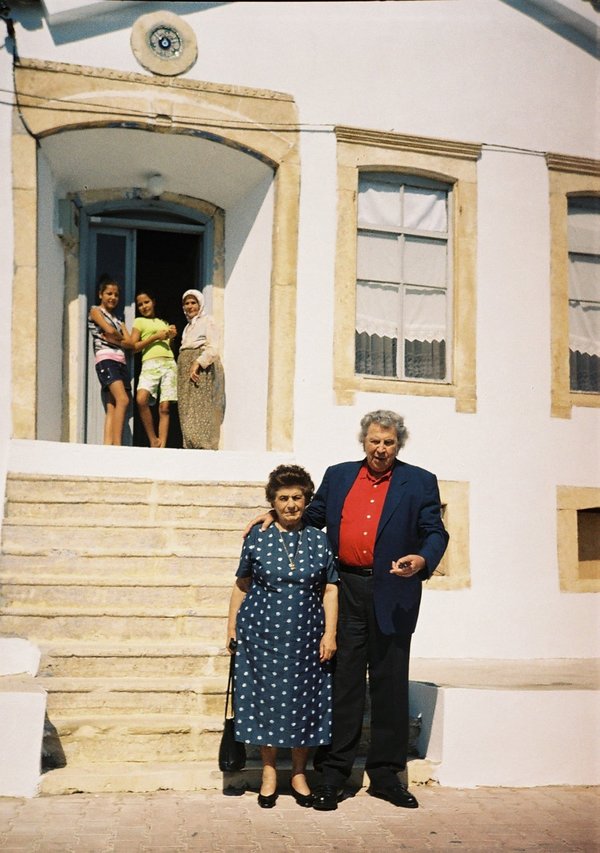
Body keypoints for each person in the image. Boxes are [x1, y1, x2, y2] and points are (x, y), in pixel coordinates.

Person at [246, 410, 448, 811]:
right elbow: (312, 515)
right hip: (346, 588)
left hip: (394, 589)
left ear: (399, 445)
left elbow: (435, 531)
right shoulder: (339, 476)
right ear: (363, 441)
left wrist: (422, 559)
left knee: (389, 685)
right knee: (345, 683)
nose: (381, 449)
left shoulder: (419, 481)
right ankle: (334, 774)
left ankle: (386, 777)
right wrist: (274, 513)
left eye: (388, 442)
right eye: (375, 441)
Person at [227, 464, 339, 809]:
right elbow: (242, 584)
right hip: (261, 634)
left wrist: (330, 634)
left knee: (304, 703)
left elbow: (331, 589)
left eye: (297, 497)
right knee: (266, 702)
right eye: (283, 498)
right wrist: (231, 627)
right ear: (272, 502)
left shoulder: (319, 539)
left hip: (307, 636)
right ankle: (269, 772)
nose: (290, 504)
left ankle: (299, 774)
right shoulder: (257, 537)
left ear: (306, 499)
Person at [87, 275, 133, 446]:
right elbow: (108, 330)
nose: (113, 297)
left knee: (112, 405)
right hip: (106, 359)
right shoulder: (95, 311)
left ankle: (107, 446)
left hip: (120, 361)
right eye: (109, 293)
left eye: (116, 295)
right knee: (123, 399)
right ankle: (117, 446)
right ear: (101, 294)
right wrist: (119, 338)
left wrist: (116, 339)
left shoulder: (118, 319)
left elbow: (130, 343)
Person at [177, 289, 225, 450]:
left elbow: (213, 347)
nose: (190, 306)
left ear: (200, 304)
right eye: (187, 303)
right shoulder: (188, 327)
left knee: (200, 405)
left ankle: (202, 445)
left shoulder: (208, 321)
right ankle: (189, 443)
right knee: (186, 407)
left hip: (200, 368)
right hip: (185, 366)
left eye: (193, 303)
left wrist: (198, 362)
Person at [131, 291, 178, 448]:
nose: (144, 306)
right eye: (140, 304)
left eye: (147, 302)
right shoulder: (139, 322)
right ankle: (153, 439)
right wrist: (154, 337)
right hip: (150, 363)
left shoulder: (163, 322)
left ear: (153, 302)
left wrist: (172, 336)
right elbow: (134, 347)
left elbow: (170, 347)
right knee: (141, 399)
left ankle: (161, 447)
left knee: (165, 408)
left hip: (169, 364)